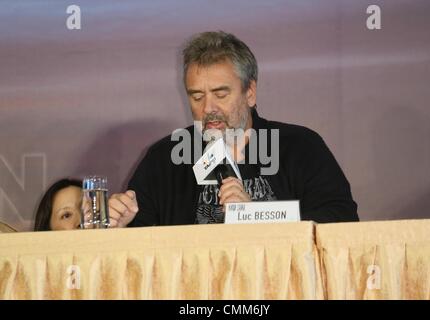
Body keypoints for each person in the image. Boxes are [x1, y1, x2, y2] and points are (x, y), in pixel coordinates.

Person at [108, 31, 359, 228]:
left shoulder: (301, 146)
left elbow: (341, 220)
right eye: (197, 96)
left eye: (220, 94)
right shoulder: (164, 157)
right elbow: (138, 247)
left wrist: (256, 217)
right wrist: (120, 227)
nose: (208, 108)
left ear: (250, 92)